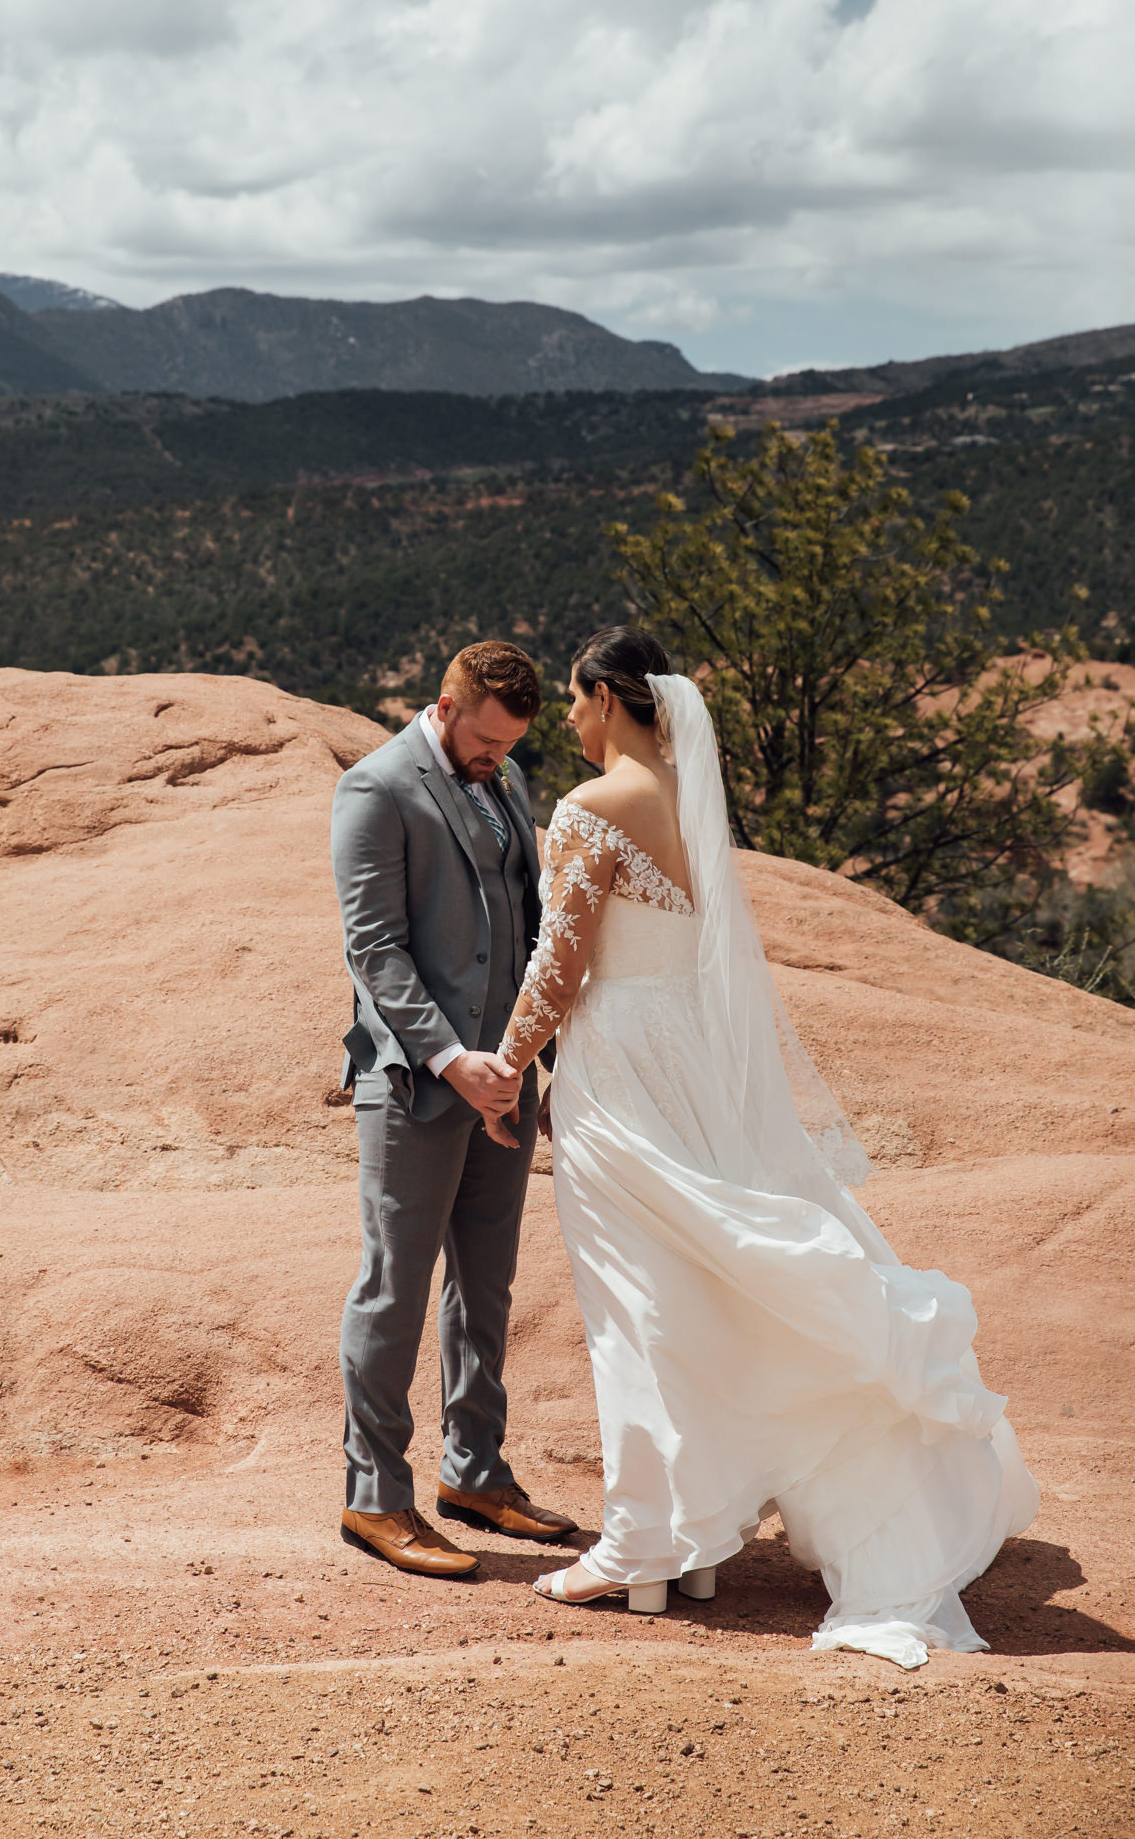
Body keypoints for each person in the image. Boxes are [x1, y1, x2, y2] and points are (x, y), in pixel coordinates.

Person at [481, 625, 1038, 1667]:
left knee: (636, 1301)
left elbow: (559, 970)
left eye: (572, 697)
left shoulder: (588, 809)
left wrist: (505, 1068)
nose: (566, 717)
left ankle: (644, 1542)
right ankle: (693, 1543)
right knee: (706, 1289)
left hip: (623, 1063)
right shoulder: (696, 801)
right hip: (696, 1058)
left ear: (608, 696)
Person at [330, 640, 578, 1578]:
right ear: (445, 704)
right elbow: (375, 947)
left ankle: (473, 1469)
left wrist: (534, 1062)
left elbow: (524, 929)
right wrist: (449, 1059)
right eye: (483, 740)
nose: (496, 758)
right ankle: (374, 1498)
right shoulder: (375, 789)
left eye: (509, 745)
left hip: (505, 1078)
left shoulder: (503, 779)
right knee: (393, 1287)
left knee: (487, 1280)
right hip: (414, 1084)